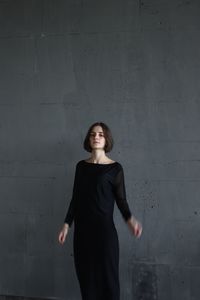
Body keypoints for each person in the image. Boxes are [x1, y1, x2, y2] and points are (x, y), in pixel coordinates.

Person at [58, 121, 142, 300]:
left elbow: (121, 201)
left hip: (104, 234)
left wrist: (130, 220)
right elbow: (75, 198)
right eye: (93, 134)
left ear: (106, 140)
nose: (96, 137)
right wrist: (66, 224)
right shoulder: (81, 167)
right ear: (88, 139)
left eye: (101, 134)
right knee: (87, 284)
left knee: (108, 284)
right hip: (82, 235)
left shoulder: (115, 169)